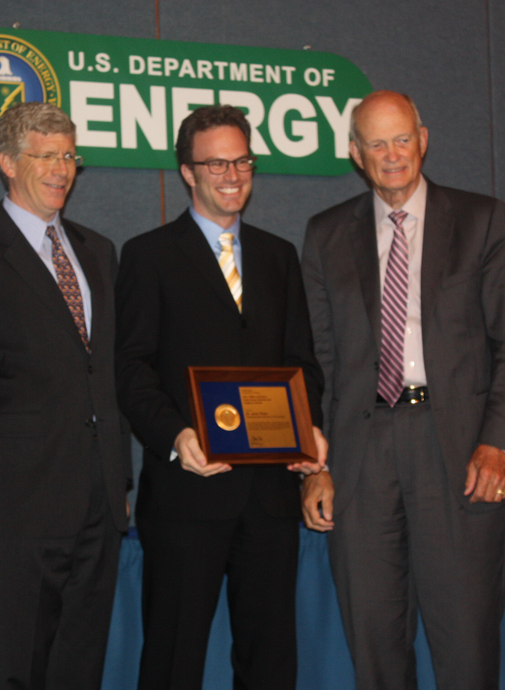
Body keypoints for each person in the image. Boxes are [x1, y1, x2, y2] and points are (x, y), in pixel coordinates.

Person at [300, 91, 505, 690]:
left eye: (402, 139)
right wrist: (314, 467)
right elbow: (317, 364)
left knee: (467, 646)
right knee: (374, 648)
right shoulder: (326, 234)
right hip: (361, 458)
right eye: (376, 143)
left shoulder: (482, 220)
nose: (392, 154)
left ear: (423, 140)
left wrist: (499, 445)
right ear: (355, 154)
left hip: (458, 452)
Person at [115, 104, 328, 690]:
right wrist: (175, 436)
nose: (232, 175)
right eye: (216, 164)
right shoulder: (149, 255)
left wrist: (307, 428)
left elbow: (302, 364)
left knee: (270, 665)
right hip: (187, 495)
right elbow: (130, 369)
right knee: (173, 663)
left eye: (242, 161)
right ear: (187, 171)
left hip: (270, 499)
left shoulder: (279, 256)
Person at [0, 101, 131, 690]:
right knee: (23, 669)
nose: (61, 169)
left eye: (69, 156)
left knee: (80, 667)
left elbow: (103, 371)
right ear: (8, 163)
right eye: (46, 157)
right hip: (19, 507)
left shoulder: (97, 250)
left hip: (99, 501)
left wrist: (118, 478)